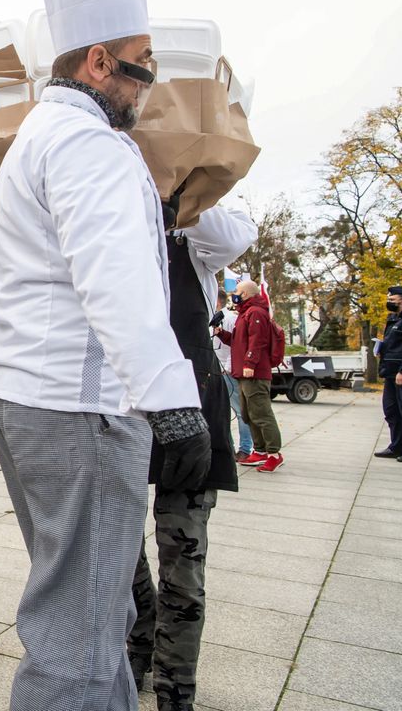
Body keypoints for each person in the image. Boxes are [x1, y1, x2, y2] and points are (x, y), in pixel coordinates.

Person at [0, 0, 209, 711]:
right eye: (142, 64)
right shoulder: (90, 144)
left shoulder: (39, 137)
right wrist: (173, 404)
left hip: (29, 400)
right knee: (77, 638)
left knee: (96, 614)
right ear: (100, 63)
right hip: (79, 408)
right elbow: (118, 287)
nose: (149, 85)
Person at [128, 206, 255, 711]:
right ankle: (139, 649)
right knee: (122, 557)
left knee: (183, 561)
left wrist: (180, 195)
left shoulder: (196, 233)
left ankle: (176, 689)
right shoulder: (119, 219)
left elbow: (232, 238)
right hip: (127, 407)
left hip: (193, 406)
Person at [215, 280, 284, 472]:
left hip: (255, 373)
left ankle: (274, 453)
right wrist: (222, 335)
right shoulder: (245, 313)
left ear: (245, 294)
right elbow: (239, 342)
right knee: (248, 413)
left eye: (237, 291)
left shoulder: (255, 313)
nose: (234, 294)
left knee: (261, 413)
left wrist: (250, 364)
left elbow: (257, 341)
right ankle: (260, 451)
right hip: (245, 373)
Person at [374, 286, 402, 461]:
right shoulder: (394, 319)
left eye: (392, 300)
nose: (388, 302)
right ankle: (397, 446)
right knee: (391, 410)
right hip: (390, 373)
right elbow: (395, 345)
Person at [214, 288, 255, 460]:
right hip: (215, 371)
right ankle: (227, 448)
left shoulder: (231, 319)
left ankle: (245, 448)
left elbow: (236, 347)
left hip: (228, 371)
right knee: (220, 413)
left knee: (239, 412)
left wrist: (229, 368)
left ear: (217, 301)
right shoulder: (212, 319)